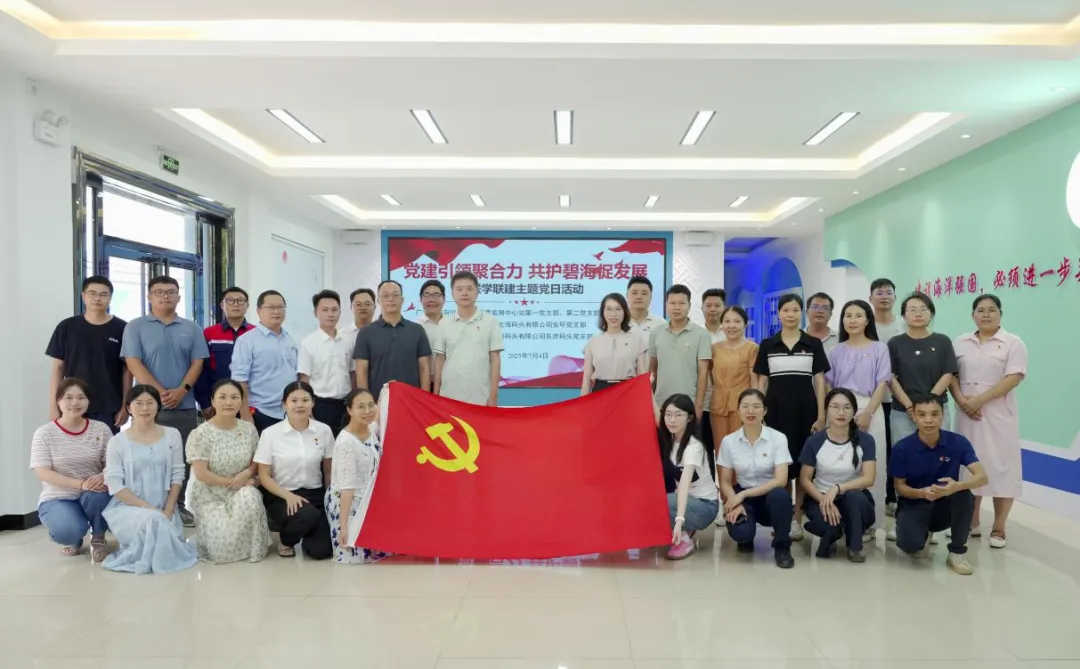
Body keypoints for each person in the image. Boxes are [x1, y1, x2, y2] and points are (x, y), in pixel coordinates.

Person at [120, 275, 209, 527]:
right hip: (146, 406)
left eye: (170, 292)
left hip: (184, 405)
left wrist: (182, 389)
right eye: (159, 292)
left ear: (178, 297)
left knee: (181, 458)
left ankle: (178, 506)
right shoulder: (135, 327)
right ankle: (146, 505)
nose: (165, 296)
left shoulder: (192, 328)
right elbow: (134, 363)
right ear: (149, 296)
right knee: (147, 457)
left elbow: (198, 363)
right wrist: (157, 393)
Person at [950, 294, 1027, 548]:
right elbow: (951, 375)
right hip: (966, 414)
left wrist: (980, 400)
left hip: (997, 414)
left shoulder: (1012, 342)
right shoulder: (961, 342)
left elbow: (1013, 377)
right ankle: (970, 522)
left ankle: (999, 526)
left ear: (1000, 313)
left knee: (1001, 468)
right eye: (980, 310)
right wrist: (963, 401)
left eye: (991, 310)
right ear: (973, 315)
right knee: (969, 466)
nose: (985, 314)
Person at [754, 293, 829, 542]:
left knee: (803, 466)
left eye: (795, 310)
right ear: (779, 314)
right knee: (782, 467)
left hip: (806, 412)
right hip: (775, 413)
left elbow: (820, 381)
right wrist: (760, 414)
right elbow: (762, 382)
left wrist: (821, 414)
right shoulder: (768, 344)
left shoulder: (813, 344)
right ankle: (784, 519)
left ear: (802, 313)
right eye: (786, 310)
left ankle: (797, 520)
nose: (790, 314)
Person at [101, 385, 198, 574]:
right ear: (129, 408)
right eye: (138, 403)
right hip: (128, 508)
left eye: (150, 403)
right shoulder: (117, 442)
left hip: (164, 507)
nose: (145, 408)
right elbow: (114, 485)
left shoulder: (172, 435)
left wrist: (169, 509)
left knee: (158, 524)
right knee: (153, 521)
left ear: (158, 406)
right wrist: (151, 510)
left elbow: (177, 474)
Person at [890, 396, 988, 575]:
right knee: (910, 546)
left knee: (964, 494)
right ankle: (922, 535)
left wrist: (957, 486)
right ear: (914, 417)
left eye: (934, 414)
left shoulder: (958, 442)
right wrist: (921, 493)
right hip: (915, 503)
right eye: (922, 415)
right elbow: (900, 487)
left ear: (942, 415)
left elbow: (982, 477)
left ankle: (957, 552)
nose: (929, 420)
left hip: (945, 505)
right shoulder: (902, 448)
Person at [185, 379, 269, 564]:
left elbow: (256, 460)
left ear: (241, 401)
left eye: (234, 397)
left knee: (251, 497)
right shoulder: (200, 434)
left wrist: (246, 475)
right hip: (211, 494)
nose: (228, 402)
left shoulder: (248, 429)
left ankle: (252, 548)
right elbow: (201, 473)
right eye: (222, 397)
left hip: (242, 488)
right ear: (213, 401)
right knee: (220, 551)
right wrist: (233, 482)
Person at [30, 378, 113, 562]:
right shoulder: (45, 433)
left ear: (88, 401)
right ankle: (73, 537)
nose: (75, 402)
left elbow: (113, 464)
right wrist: (81, 484)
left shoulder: (101, 429)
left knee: (99, 496)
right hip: (59, 497)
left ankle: (98, 537)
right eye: (68, 398)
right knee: (67, 531)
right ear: (58, 401)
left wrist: (103, 476)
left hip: (94, 492)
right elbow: (42, 472)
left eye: (81, 397)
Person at [825, 300, 891, 520]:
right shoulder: (835, 351)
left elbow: (882, 384)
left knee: (873, 462)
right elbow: (829, 385)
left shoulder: (880, 348)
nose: (852, 320)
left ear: (867, 320)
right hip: (840, 410)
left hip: (870, 408)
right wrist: (834, 411)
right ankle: (842, 517)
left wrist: (867, 413)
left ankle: (872, 521)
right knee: (841, 462)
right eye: (848, 315)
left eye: (858, 315)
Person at [254, 381, 334, 560]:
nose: (300, 405)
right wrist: (288, 496)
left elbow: (328, 471)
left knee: (321, 551)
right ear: (284, 404)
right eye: (294, 400)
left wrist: (330, 499)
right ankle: (286, 539)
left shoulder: (324, 431)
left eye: (305, 400)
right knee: (307, 515)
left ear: (313, 403)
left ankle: (308, 534)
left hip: (315, 494)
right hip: (281, 495)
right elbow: (264, 476)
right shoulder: (270, 434)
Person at [718, 389, 795, 568]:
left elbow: (781, 480)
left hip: (770, 495)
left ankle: (782, 547)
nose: (750, 411)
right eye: (745, 406)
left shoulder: (778, 438)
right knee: (742, 534)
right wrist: (735, 500)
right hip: (743, 494)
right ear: (738, 411)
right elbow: (725, 481)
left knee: (781, 496)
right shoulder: (729, 441)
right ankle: (746, 538)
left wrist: (743, 495)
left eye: (756, 406)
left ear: (764, 411)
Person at [799, 388, 878, 562]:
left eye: (847, 407)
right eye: (835, 407)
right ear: (826, 410)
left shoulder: (866, 440)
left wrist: (838, 488)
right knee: (829, 528)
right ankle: (832, 531)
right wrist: (824, 500)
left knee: (855, 498)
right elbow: (804, 479)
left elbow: (869, 478)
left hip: (854, 499)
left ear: (854, 411)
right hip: (820, 497)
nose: (841, 412)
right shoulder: (815, 440)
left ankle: (855, 547)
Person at [46, 275, 130, 434]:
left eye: (103, 294)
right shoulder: (67, 327)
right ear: (83, 296)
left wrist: (126, 405)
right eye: (92, 293)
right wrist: (54, 406)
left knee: (106, 449)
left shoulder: (122, 328)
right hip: (72, 404)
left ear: (110, 298)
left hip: (109, 407)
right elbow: (58, 368)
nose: (97, 298)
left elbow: (127, 370)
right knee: (72, 449)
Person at [326, 388, 390, 564]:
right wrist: (344, 527)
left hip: (368, 499)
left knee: (384, 551)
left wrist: (385, 391)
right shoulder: (346, 442)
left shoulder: (370, 429)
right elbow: (347, 488)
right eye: (361, 407)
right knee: (354, 558)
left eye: (371, 405)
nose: (368, 411)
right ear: (349, 410)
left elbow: (377, 418)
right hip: (347, 502)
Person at [658, 393, 719, 560]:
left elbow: (684, 485)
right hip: (690, 502)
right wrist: (647, 388)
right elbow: (657, 416)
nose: (672, 420)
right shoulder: (671, 439)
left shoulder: (693, 447)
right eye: (668, 414)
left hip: (705, 506)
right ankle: (687, 524)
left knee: (658, 502)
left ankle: (684, 539)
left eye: (678, 415)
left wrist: (678, 521)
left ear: (690, 418)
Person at [231, 290, 299, 434]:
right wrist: (245, 413)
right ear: (259, 311)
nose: (276, 311)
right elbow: (239, 380)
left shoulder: (290, 340)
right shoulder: (247, 340)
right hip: (260, 412)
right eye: (271, 307)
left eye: (280, 307)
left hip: (289, 412)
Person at [433, 271, 504, 406]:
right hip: (449, 396)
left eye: (469, 289)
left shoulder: (490, 321)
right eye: (459, 289)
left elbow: (495, 359)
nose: (464, 293)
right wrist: (436, 394)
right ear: (453, 294)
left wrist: (493, 395)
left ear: (477, 292)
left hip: (481, 397)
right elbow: (439, 360)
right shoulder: (444, 323)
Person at [354, 280, 432, 395]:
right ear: (378, 301)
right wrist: (366, 401)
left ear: (402, 300)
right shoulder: (365, 333)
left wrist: (424, 398)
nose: (391, 299)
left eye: (395, 295)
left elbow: (424, 368)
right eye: (385, 295)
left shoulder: (417, 330)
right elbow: (361, 372)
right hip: (378, 400)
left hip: (411, 399)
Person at [869, 278, 905, 518]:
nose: (884, 296)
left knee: (895, 448)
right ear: (870, 298)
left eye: (889, 292)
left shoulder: (903, 325)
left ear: (895, 297)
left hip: (897, 398)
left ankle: (893, 497)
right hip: (870, 399)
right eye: (879, 293)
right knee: (874, 450)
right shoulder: (865, 324)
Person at [648, 284, 712, 417]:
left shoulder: (701, 334)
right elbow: (653, 369)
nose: (677, 307)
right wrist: (650, 400)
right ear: (666, 305)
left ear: (689, 305)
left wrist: (699, 405)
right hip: (660, 403)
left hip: (689, 404)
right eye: (672, 303)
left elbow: (703, 373)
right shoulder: (656, 333)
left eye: (682, 303)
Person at [298, 290, 353, 435]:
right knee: (322, 444)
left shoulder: (348, 340)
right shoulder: (308, 343)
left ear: (340, 312)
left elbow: (352, 373)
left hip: (346, 404)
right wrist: (307, 409)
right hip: (321, 405)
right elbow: (304, 379)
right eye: (325, 310)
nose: (330, 314)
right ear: (316, 313)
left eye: (334, 310)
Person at [194, 286, 254, 416]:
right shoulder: (209, 333)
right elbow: (202, 370)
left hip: (252, 402)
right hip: (219, 402)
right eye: (230, 300)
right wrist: (205, 403)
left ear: (247, 306)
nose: (235, 304)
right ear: (222, 305)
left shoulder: (256, 333)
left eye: (240, 301)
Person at [709, 306, 759, 448]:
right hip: (718, 404)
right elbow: (711, 376)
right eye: (727, 321)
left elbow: (754, 380)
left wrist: (754, 406)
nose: (731, 326)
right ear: (722, 325)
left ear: (745, 324)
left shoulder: (752, 348)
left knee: (742, 447)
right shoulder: (714, 348)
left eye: (737, 321)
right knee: (720, 447)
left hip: (743, 406)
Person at [580, 293, 647, 395]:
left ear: (625, 312)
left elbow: (642, 375)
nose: (613, 314)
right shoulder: (593, 342)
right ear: (603, 313)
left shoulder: (636, 340)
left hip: (628, 392)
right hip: (601, 393)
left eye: (618, 309)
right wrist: (582, 402)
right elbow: (587, 378)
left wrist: (648, 400)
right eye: (609, 309)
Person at [698, 288, 726, 458]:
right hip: (702, 401)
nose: (713, 309)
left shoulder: (731, 332)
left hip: (725, 402)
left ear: (724, 307)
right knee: (703, 448)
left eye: (717, 305)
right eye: (708, 305)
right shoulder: (696, 333)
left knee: (725, 449)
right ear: (701, 308)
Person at [418, 279, 446, 389]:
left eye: (436, 295)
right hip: (422, 383)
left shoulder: (452, 325)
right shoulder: (415, 327)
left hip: (449, 383)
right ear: (420, 299)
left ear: (444, 299)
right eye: (427, 295)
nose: (432, 299)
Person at [626, 276, 665, 350]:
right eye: (634, 293)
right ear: (627, 296)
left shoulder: (661, 324)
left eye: (644, 293)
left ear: (651, 297)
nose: (639, 297)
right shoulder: (618, 322)